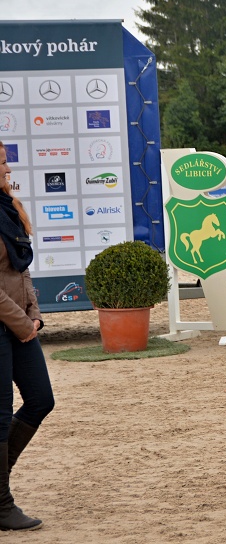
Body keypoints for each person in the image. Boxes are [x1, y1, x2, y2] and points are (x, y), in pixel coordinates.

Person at [0, 141, 53, 531]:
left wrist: (33, 313)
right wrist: (22, 323)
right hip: (6, 326)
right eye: (2, 163)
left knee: (40, 400)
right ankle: (2, 504)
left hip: (21, 323)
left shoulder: (9, 208)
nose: (8, 170)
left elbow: (21, 270)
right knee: (0, 417)